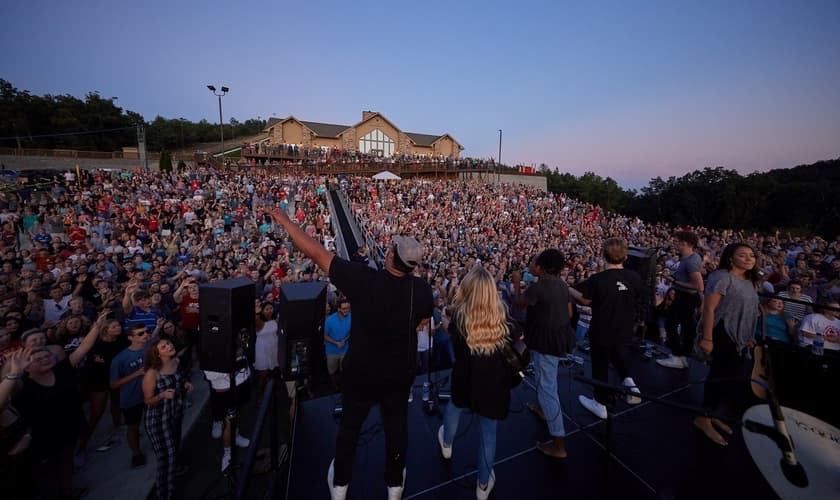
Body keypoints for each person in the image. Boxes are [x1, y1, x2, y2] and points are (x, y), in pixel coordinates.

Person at [270, 208, 433, 500]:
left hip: (362, 371)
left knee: (350, 426)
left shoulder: (363, 279)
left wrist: (285, 222)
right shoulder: (421, 290)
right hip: (399, 372)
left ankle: (341, 485)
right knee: (397, 426)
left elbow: (317, 253)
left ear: (391, 257)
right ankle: (395, 486)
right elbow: (422, 322)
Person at [436, 266, 515, 500]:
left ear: (468, 289)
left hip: (465, 377)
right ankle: (482, 486)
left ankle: (447, 445)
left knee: (455, 406)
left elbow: (450, 329)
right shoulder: (503, 316)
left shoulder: (459, 316)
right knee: (488, 433)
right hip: (495, 383)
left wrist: (443, 315)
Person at [511, 249, 575, 458]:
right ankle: (541, 408)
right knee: (543, 375)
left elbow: (518, 305)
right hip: (556, 338)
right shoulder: (562, 285)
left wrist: (516, 283)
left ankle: (559, 444)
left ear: (541, 267)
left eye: (534, 262)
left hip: (545, 341)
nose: (531, 264)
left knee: (548, 387)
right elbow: (569, 313)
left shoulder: (538, 288)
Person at [572, 238, 644, 420]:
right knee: (619, 356)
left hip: (602, 328)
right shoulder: (635, 277)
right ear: (625, 257)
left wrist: (567, 289)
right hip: (626, 328)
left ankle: (600, 403)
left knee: (600, 365)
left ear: (603, 256)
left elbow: (584, 301)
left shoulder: (598, 279)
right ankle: (631, 386)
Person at [696, 242, 760, 445]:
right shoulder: (722, 277)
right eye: (743, 255)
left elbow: (748, 310)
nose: (749, 258)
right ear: (731, 258)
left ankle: (712, 412)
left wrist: (748, 334)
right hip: (722, 332)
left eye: (752, 255)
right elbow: (709, 309)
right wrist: (707, 338)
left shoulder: (749, 280)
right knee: (718, 375)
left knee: (728, 376)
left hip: (739, 336)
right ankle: (703, 417)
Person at [143, 338, 192, 500]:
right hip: (158, 419)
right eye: (163, 346)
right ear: (157, 354)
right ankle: (164, 494)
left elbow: (180, 379)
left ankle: (169, 483)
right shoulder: (152, 373)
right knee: (167, 458)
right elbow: (148, 400)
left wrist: (185, 384)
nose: (169, 346)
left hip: (175, 413)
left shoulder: (176, 361)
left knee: (173, 452)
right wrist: (162, 395)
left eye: (169, 344)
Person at [110, 321, 161, 468]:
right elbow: (113, 384)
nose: (145, 335)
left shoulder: (151, 349)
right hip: (132, 398)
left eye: (146, 332)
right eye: (140, 333)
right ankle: (136, 453)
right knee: (133, 427)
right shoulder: (119, 359)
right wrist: (137, 373)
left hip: (152, 393)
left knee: (155, 421)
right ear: (130, 338)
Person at [658, 231, 705, 369]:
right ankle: (682, 356)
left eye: (676, 241)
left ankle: (677, 356)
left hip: (686, 297)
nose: (674, 244)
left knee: (671, 325)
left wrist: (675, 281)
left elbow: (699, 285)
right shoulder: (692, 257)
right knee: (686, 326)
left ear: (684, 243)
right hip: (687, 297)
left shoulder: (690, 261)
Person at [254, 301, 280, 395]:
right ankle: (260, 395)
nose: (270, 311)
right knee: (263, 374)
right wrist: (256, 312)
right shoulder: (259, 322)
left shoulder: (275, 320)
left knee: (272, 371)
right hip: (262, 350)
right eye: (267, 309)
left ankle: (270, 391)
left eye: (271, 308)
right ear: (262, 311)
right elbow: (255, 319)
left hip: (273, 347)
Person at [324, 299, 351, 390]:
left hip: (345, 349)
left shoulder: (351, 317)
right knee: (332, 372)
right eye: (344, 308)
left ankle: (344, 386)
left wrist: (344, 340)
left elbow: (351, 332)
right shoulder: (330, 320)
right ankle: (334, 386)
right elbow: (325, 336)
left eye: (348, 308)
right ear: (338, 309)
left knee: (344, 369)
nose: (346, 310)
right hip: (332, 351)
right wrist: (336, 343)